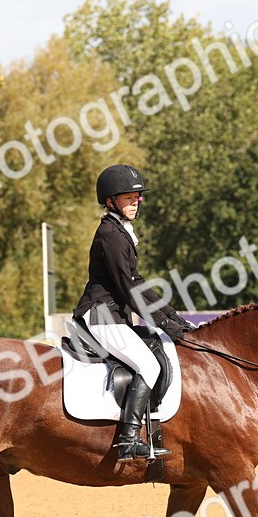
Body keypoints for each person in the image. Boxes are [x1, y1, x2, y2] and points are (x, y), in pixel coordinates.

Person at [73, 164, 196, 462]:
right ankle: (128, 441)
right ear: (110, 200)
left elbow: (137, 283)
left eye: (136, 197)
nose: (134, 203)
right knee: (149, 366)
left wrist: (173, 318)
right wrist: (167, 324)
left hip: (113, 316)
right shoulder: (111, 236)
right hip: (101, 316)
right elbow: (130, 290)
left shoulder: (120, 231)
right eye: (128, 198)